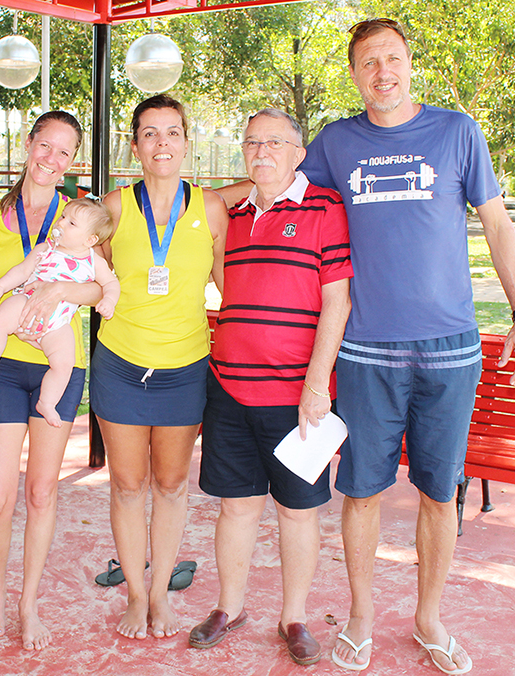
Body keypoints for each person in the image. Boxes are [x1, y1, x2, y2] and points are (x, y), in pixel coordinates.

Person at [250, 18, 515, 674]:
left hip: (448, 351)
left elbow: (496, 224)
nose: (382, 71)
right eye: (368, 63)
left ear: (409, 63)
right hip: (365, 352)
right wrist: (189, 202)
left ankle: (428, 618)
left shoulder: (457, 133)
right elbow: (276, 186)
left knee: (439, 493)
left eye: (392, 58)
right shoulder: (334, 143)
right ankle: (357, 617)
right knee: (363, 491)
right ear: (353, 74)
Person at [188, 109, 352, 665]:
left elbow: (338, 301)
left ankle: (294, 617)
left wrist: (316, 386)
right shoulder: (230, 216)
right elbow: (202, 197)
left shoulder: (325, 209)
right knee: (235, 508)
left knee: (297, 512)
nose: (262, 152)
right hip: (228, 387)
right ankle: (228, 608)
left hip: (296, 398)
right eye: (252, 142)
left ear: (298, 152)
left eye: (275, 143)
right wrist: (252, 184)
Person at [0, 110, 102, 650]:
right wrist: (6, 317)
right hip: (6, 366)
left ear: (72, 160)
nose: (51, 159)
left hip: (60, 365)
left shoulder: (78, 217)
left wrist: (55, 297)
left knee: (41, 493)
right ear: (28, 145)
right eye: (44, 145)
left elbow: (100, 289)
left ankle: (27, 602)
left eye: (64, 151)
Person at [92, 94, 227, 640]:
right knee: (128, 486)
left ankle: (162, 595)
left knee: (171, 486)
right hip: (121, 364)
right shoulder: (115, 207)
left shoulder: (212, 209)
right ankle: (134, 596)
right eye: (150, 133)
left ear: (187, 141)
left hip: (184, 368)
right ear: (135, 145)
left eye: (172, 132)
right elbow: (84, 263)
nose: (162, 143)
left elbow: (231, 288)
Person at [0, 197, 120, 427]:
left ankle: (47, 402)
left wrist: (109, 301)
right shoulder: (46, 249)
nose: (61, 224)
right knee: (0, 319)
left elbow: (111, 284)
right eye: (63, 217)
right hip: (26, 302)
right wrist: (1, 285)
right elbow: (22, 270)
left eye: (72, 223)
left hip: (58, 323)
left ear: (90, 239)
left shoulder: (94, 261)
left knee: (64, 363)